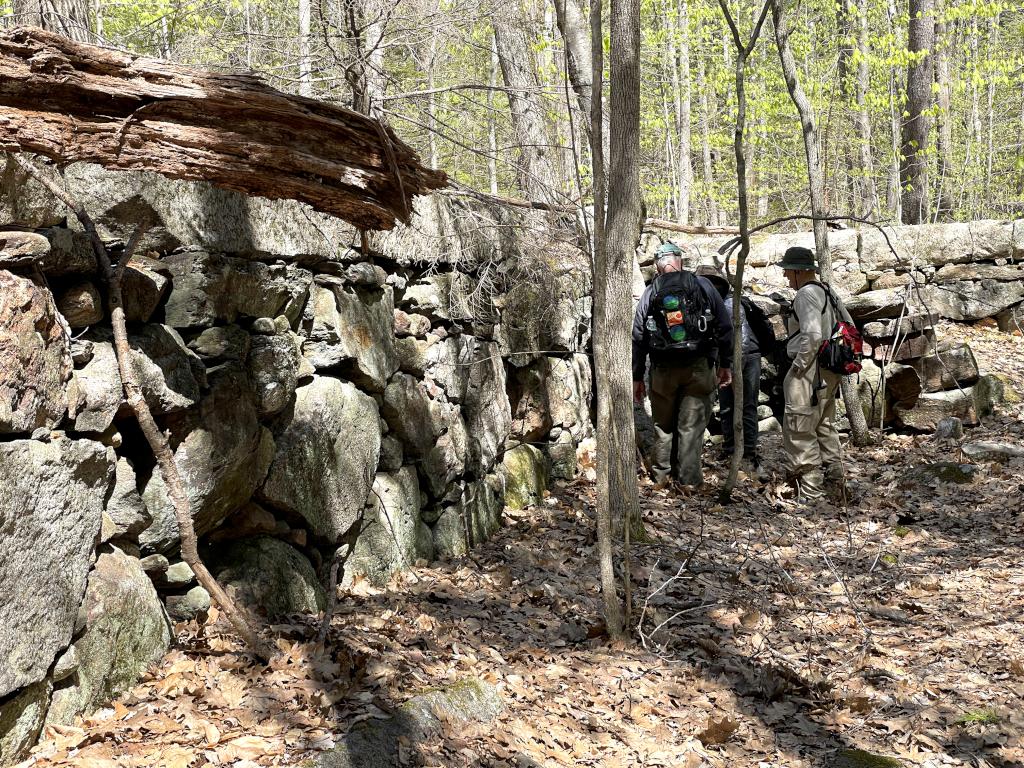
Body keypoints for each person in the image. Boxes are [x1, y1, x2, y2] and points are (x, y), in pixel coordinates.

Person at [632, 243, 733, 488]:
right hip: (698, 367)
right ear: (679, 261)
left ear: (657, 265)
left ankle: (661, 478)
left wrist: (637, 376)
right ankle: (689, 482)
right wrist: (725, 363)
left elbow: (638, 335)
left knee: (663, 426)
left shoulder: (651, 290)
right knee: (691, 427)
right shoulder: (703, 285)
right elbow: (724, 326)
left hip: (662, 369)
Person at [778, 246, 854, 501]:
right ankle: (837, 487)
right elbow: (849, 325)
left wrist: (799, 367)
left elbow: (812, 335)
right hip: (828, 372)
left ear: (799, 271)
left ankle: (811, 494)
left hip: (810, 371)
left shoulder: (805, 295)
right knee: (824, 426)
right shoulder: (826, 291)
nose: (786, 276)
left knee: (800, 428)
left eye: (788, 270)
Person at [695, 266, 775, 475]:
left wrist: (726, 363)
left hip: (739, 358)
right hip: (745, 356)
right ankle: (738, 449)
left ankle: (744, 450)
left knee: (740, 405)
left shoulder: (724, 305)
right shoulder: (731, 301)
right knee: (735, 405)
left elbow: (730, 338)